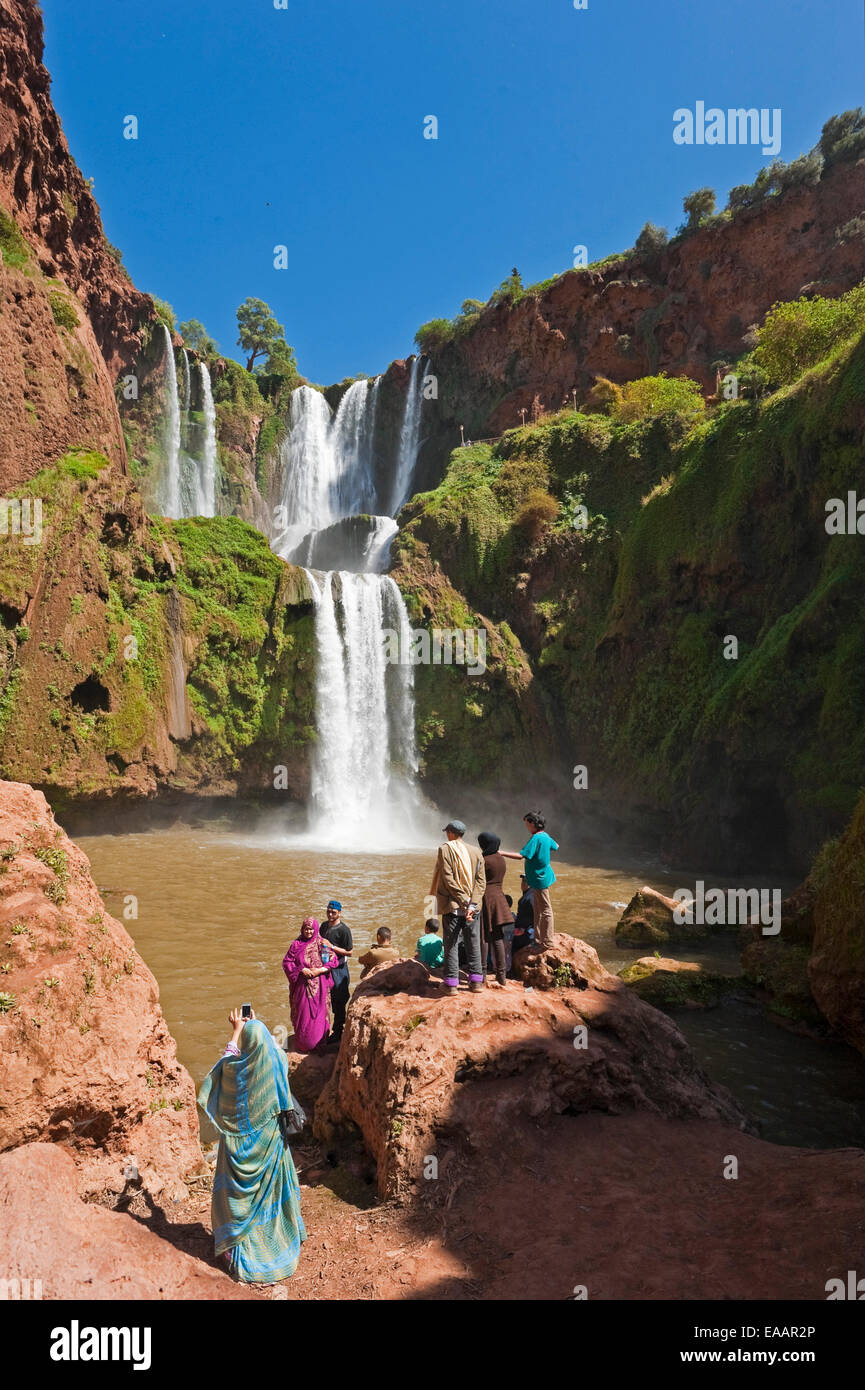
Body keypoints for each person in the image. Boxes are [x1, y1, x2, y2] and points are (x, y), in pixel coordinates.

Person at [197, 1009, 306, 1284]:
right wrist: (258, 1026)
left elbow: (220, 1071)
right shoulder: (276, 1061)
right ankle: (277, 1245)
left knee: (237, 1201)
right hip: (270, 1144)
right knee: (269, 1199)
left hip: (239, 1150)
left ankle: (239, 1253)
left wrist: (237, 1032)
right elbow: (269, 1046)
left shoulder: (236, 1072)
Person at [430, 818, 486, 995]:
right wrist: (473, 903)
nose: (447, 835)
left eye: (447, 832)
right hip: (473, 908)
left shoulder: (445, 849)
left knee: (451, 943)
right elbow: (481, 882)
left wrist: (463, 901)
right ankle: (476, 983)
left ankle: (451, 984)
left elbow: (448, 878)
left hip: (453, 905)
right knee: (473, 942)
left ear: (451, 833)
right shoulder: (476, 851)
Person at [502, 812, 558, 949]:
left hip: (539, 879)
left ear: (533, 823)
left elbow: (521, 856)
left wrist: (501, 853)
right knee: (538, 909)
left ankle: (548, 941)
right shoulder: (545, 836)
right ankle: (538, 938)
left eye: (527, 823)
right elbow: (556, 846)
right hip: (542, 876)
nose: (526, 826)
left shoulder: (535, 838)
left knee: (545, 910)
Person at [282, 917, 338, 1052]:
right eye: (306, 929)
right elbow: (287, 962)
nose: (308, 931)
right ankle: (302, 1043)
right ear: (302, 929)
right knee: (303, 1014)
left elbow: (333, 960)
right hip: (302, 985)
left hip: (320, 987)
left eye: (311, 929)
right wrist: (302, 969)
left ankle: (319, 1044)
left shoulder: (321, 943)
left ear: (316, 929)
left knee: (319, 1014)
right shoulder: (296, 944)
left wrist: (319, 970)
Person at [477, 831, 512, 987]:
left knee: (483, 937)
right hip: (499, 898)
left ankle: (482, 975)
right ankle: (501, 976)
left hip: (486, 899)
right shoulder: (501, 859)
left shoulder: (484, 860)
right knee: (498, 938)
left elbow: (476, 881)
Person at [320, 899, 353, 1043]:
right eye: (328, 911)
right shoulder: (323, 926)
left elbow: (350, 952)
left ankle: (338, 1031)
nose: (330, 914)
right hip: (324, 967)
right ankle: (322, 1029)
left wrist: (331, 946)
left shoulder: (344, 930)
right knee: (323, 999)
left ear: (339, 913)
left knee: (339, 999)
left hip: (338, 969)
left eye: (333, 912)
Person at [510, 875, 536, 967]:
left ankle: (509, 967)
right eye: (522, 881)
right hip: (524, 928)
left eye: (525, 881)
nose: (523, 884)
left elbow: (536, 916)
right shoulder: (529, 895)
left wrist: (526, 929)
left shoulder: (530, 897)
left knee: (508, 940)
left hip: (527, 933)